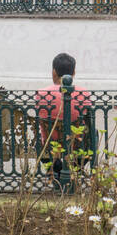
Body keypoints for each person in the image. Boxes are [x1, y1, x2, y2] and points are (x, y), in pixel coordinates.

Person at [34, 52, 94, 191]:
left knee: (39, 138)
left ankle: (54, 171)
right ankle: (74, 171)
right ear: (73, 72)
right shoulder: (83, 93)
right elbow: (86, 117)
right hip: (75, 144)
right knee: (92, 135)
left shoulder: (41, 93)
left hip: (49, 144)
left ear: (53, 71)